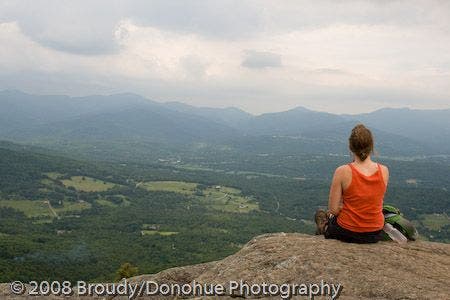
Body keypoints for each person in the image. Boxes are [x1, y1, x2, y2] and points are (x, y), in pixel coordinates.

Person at [315, 124, 389, 243]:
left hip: (347, 231)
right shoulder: (384, 171)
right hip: (374, 232)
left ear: (351, 147)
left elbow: (333, 209)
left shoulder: (342, 171)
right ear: (371, 147)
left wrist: (343, 208)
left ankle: (323, 226)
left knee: (327, 216)